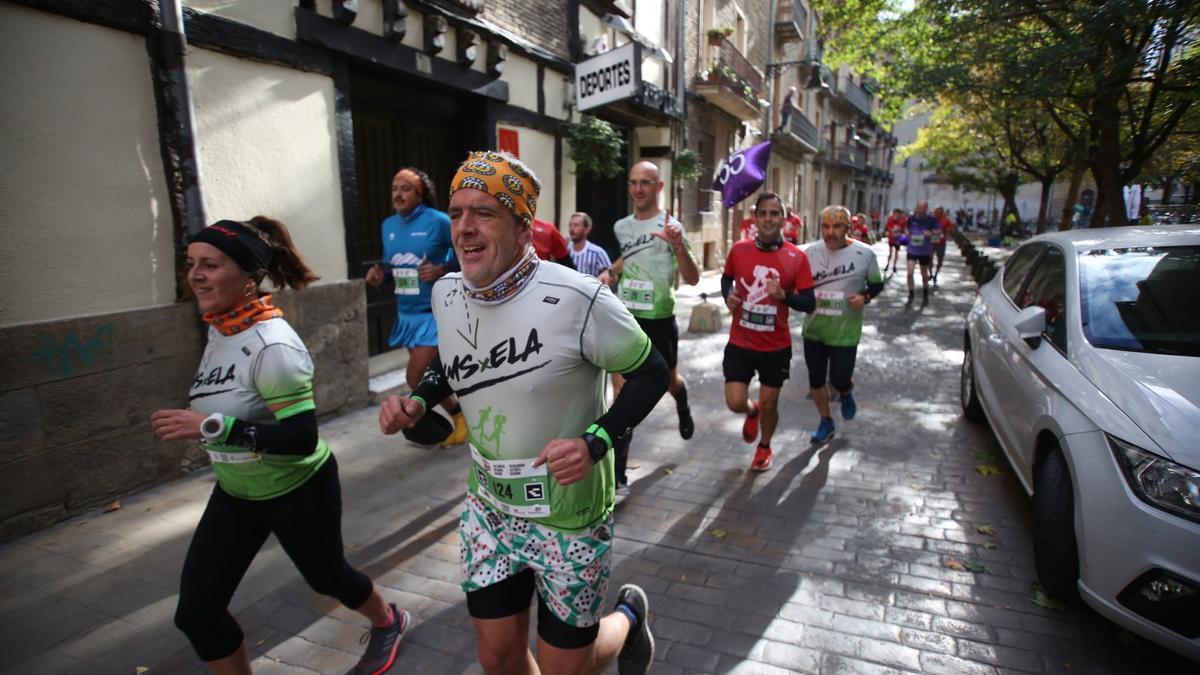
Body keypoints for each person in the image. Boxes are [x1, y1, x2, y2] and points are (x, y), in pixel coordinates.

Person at [378, 151, 666, 675]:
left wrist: (595, 441)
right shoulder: (447, 291)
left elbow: (652, 372)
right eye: (457, 211)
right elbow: (451, 358)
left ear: (521, 224)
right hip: (490, 507)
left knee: (566, 670)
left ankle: (626, 620)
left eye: (484, 213)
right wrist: (419, 400)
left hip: (569, 515)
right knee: (497, 656)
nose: (464, 228)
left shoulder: (579, 298)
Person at [152, 217, 408, 675]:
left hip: (297, 488)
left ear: (248, 279)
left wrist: (211, 426)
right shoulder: (220, 327)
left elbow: (299, 438)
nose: (195, 275)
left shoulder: (273, 347)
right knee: (196, 613)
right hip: (237, 492)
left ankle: (389, 620)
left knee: (327, 577)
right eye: (191, 264)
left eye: (210, 264)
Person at [610, 160, 701, 487]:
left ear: (658, 187)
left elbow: (692, 279)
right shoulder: (622, 226)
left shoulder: (672, 227)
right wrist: (612, 271)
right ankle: (618, 474)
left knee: (667, 382)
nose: (638, 189)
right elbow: (631, 256)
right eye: (633, 182)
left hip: (660, 319)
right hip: (625, 318)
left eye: (645, 182)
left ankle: (682, 399)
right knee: (622, 397)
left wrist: (677, 246)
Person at [365, 167, 467, 447]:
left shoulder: (439, 221)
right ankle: (460, 418)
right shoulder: (388, 225)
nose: (398, 193)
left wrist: (441, 269)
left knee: (415, 376)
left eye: (406, 188)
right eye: (395, 188)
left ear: (421, 194)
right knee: (428, 375)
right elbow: (393, 267)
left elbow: (468, 255)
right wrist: (380, 277)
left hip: (434, 312)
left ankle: (458, 416)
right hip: (406, 314)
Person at [721, 193, 815, 471]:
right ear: (755, 218)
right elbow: (727, 278)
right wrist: (729, 295)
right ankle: (752, 412)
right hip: (740, 341)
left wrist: (784, 295)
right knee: (735, 401)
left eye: (774, 214)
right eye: (763, 214)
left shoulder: (796, 257)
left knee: (771, 403)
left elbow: (809, 302)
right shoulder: (739, 250)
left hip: (775, 347)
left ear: (784, 220)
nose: (768, 219)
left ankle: (764, 446)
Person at [802, 206, 885, 443]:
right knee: (816, 381)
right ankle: (825, 421)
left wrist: (865, 297)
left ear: (849, 228)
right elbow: (800, 285)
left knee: (838, 380)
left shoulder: (865, 254)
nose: (830, 232)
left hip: (845, 332)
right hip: (814, 330)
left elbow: (877, 285)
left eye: (837, 226)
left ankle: (846, 392)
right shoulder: (810, 253)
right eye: (825, 227)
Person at [903, 200, 940, 302]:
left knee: (924, 274)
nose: (920, 211)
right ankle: (911, 294)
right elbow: (906, 228)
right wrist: (907, 233)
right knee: (909, 273)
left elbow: (938, 231)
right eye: (919, 209)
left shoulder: (931, 220)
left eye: (923, 209)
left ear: (926, 209)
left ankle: (925, 293)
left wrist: (931, 232)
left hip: (924, 251)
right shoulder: (911, 219)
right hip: (912, 249)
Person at [568, 211, 614, 283]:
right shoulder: (564, 250)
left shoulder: (597, 252)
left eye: (576, 225)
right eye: (570, 225)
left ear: (587, 229)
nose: (572, 229)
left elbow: (612, 276)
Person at [932, 206, 954, 284]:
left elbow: (951, 228)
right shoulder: (931, 220)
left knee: (940, 260)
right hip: (932, 242)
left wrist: (945, 230)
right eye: (936, 212)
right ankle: (930, 273)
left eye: (939, 212)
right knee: (928, 259)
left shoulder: (945, 220)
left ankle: (936, 274)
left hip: (941, 243)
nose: (937, 213)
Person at [883, 208, 905, 273]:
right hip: (891, 239)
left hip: (898, 240)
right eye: (895, 214)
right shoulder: (890, 220)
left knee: (896, 253)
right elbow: (886, 229)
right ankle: (888, 264)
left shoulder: (902, 222)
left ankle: (894, 266)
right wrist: (886, 233)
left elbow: (904, 230)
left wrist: (901, 234)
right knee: (890, 253)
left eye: (898, 214)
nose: (896, 216)